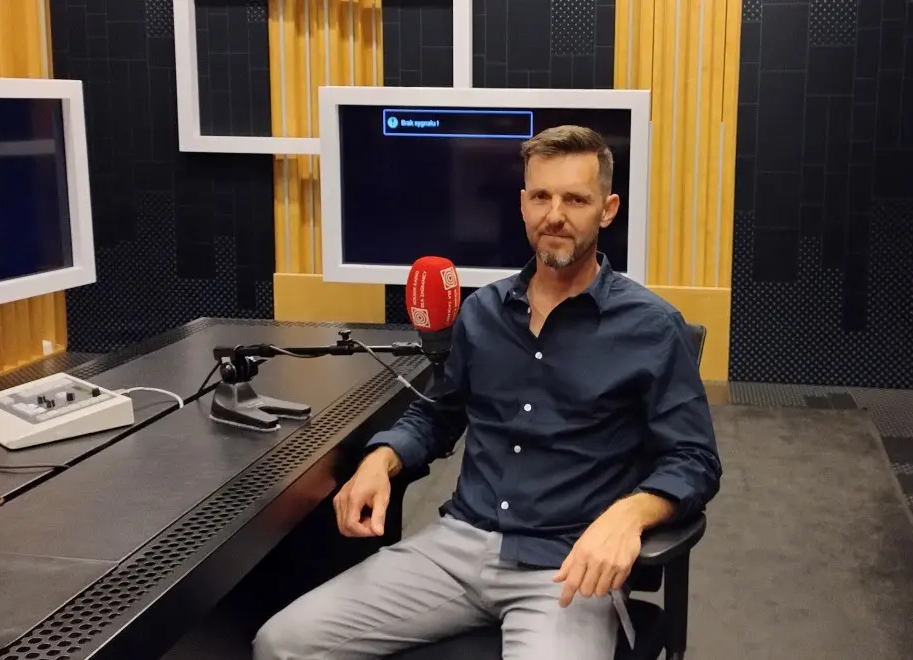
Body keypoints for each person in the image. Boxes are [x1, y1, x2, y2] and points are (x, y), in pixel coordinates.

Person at [253, 125, 722, 660]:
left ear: (608, 209)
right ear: (523, 205)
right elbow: (437, 413)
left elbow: (694, 459)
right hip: (457, 546)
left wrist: (629, 514)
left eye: (576, 199)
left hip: (566, 564)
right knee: (282, 644)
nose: (555, 215)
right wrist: (380, 460)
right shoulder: (481, 313)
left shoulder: (653, 327)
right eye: (542, 196)